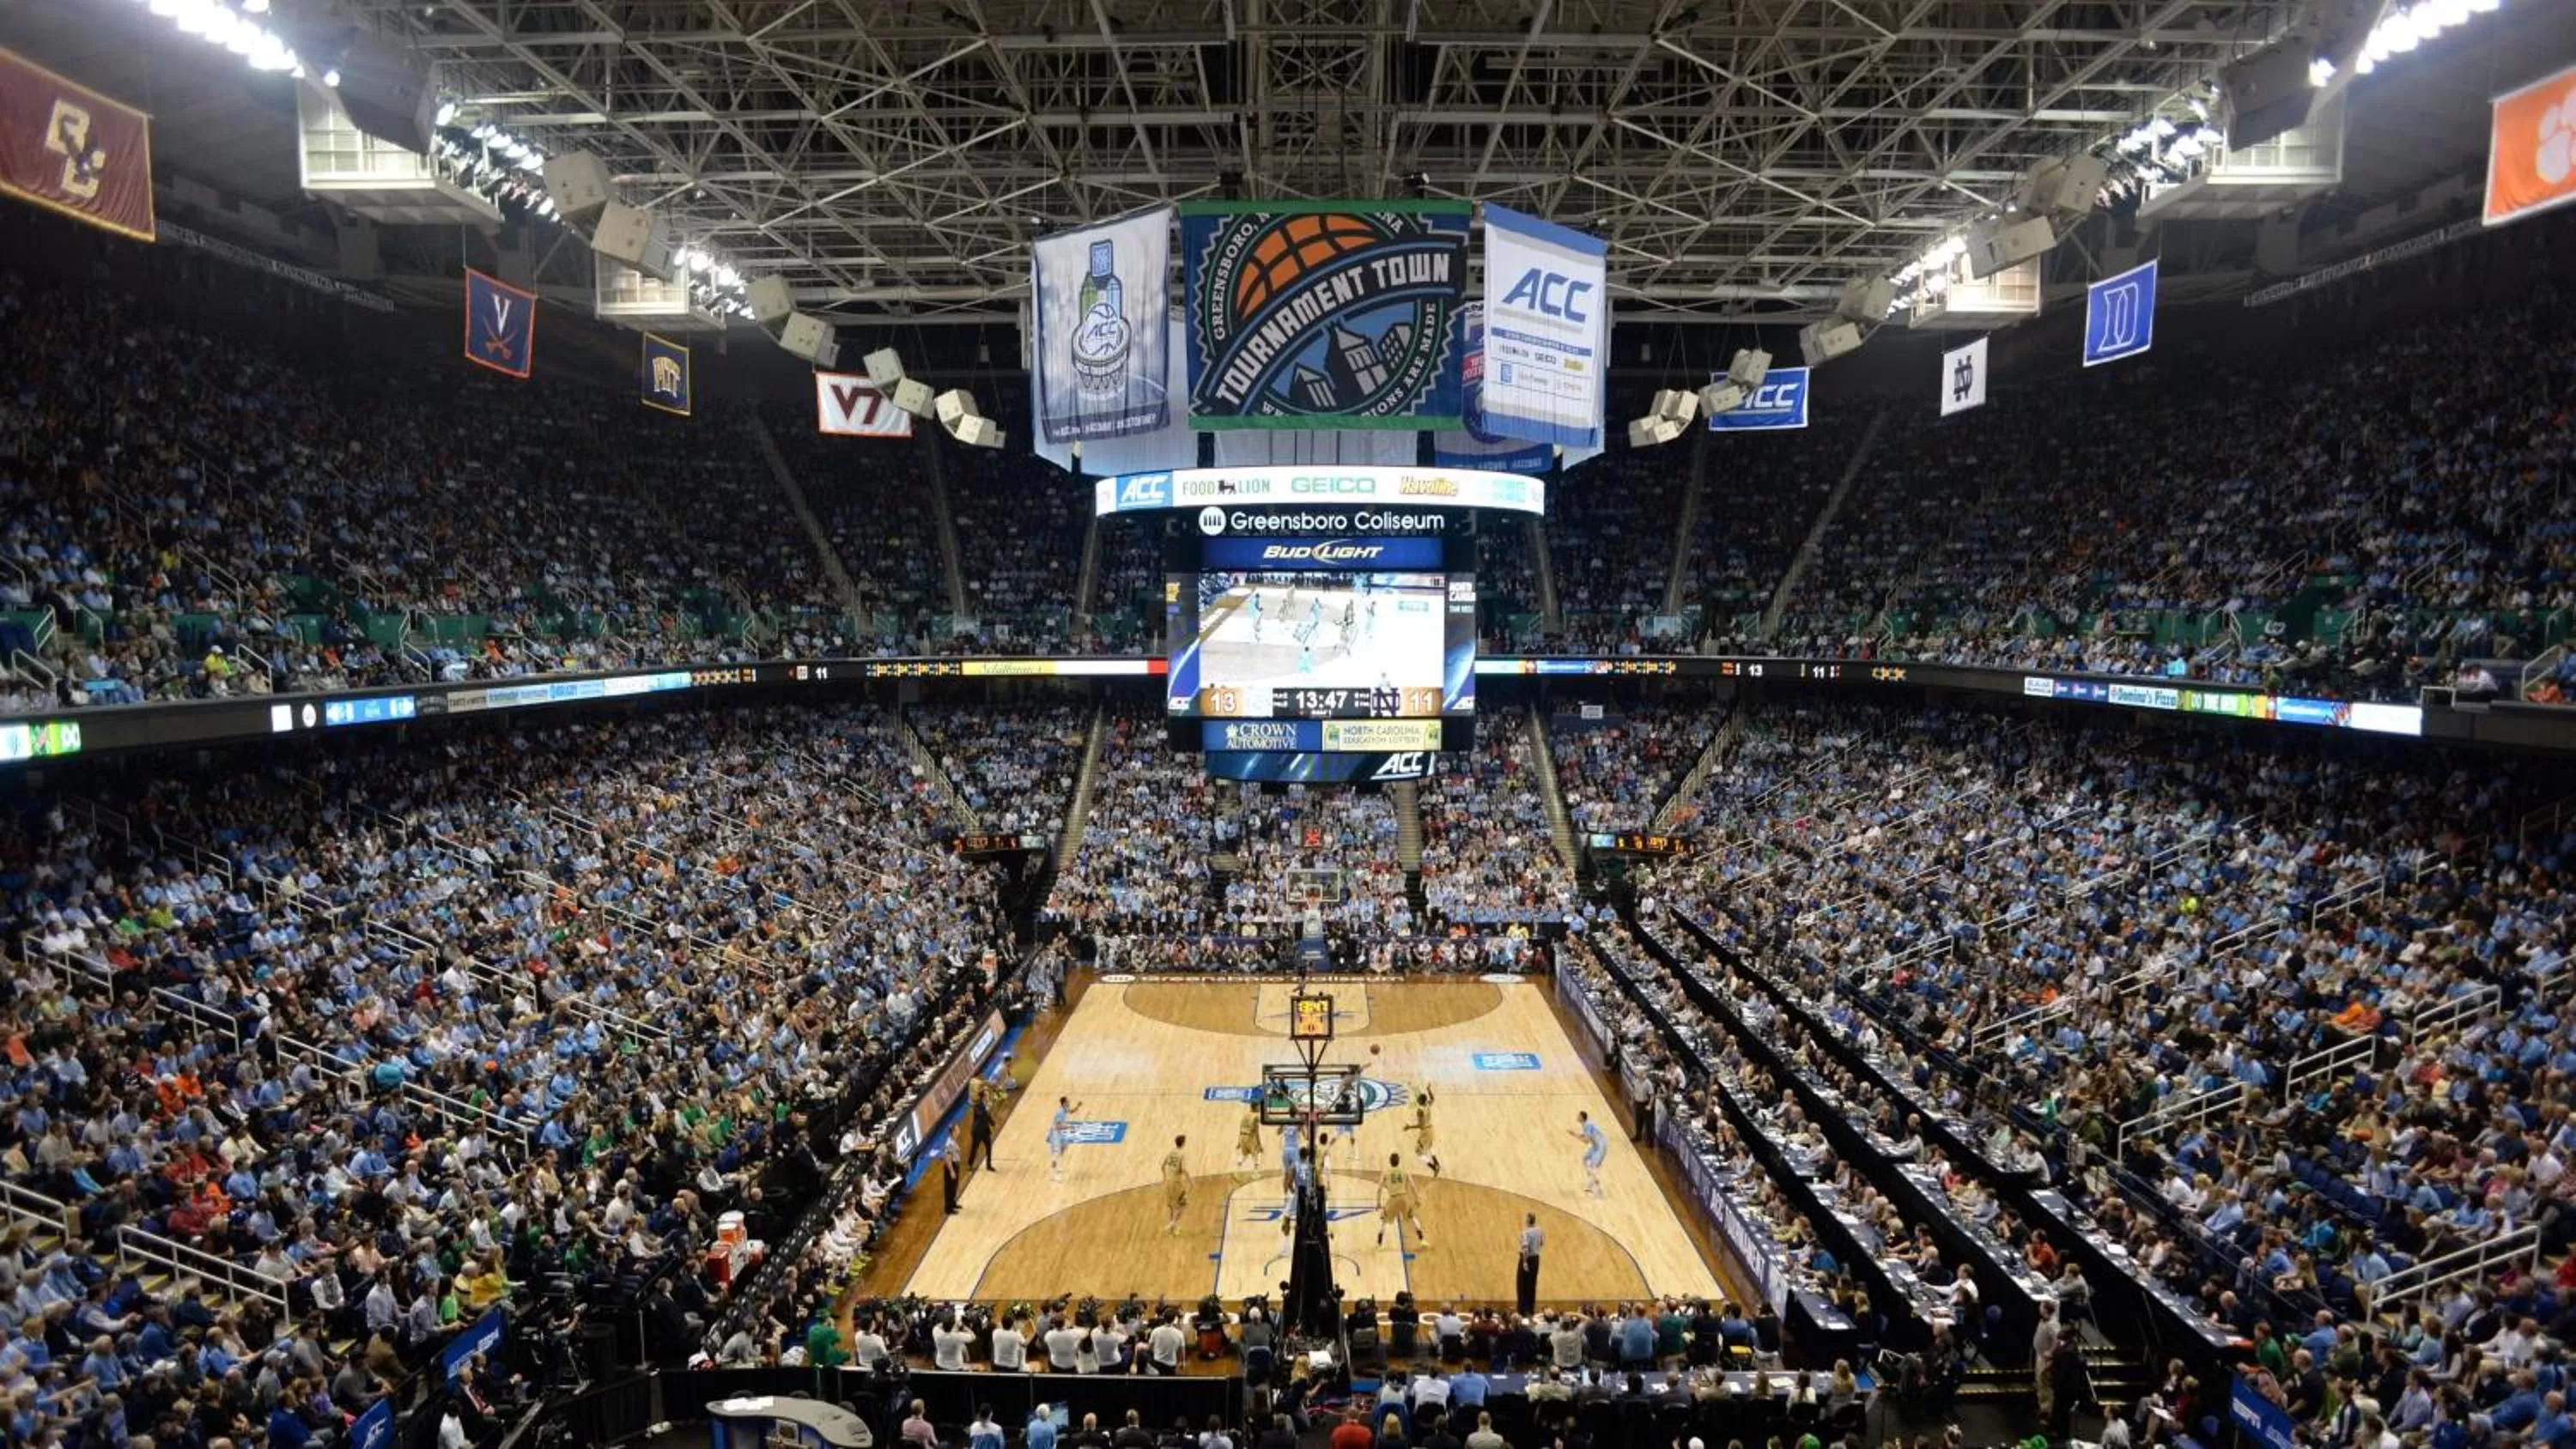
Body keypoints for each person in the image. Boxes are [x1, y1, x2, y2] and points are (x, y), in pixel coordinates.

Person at [1380, 1152, 1429, 1248]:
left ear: (1390, 1162)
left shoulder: (1386, 1172)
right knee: (1413, 1218)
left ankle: (1379, 1242)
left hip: (1392, 1199)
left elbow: (1379, 1189)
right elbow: (1413, 1186)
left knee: (1384, 1220)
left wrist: (1377, 1203)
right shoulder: (1405, 1171)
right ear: (1399, 1162)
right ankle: (1422, 1239)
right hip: (1404, 1198)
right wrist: (1417, 1198)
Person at [1570, 1112, 1607, 1197]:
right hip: (1595, 1145)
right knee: (1585, 1159)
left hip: (1601, 1146)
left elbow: (1586, 1141)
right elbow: (1586, 1136)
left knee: (1593, 1165)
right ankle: (1593, 1178)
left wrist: (1574, 1135)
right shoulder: (1585, 1124)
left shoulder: (1588, 1125)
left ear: (1582, 1118)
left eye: (1578, 1116)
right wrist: (1576, 1134)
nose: (1577, 1116)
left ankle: (1593, 1185)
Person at [1049, 1095, 1084, 1183]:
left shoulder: (1065, 1109)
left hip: (1060, 1133)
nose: (1069, 1102)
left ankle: (1058, 1167)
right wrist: (1069, 1127)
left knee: (1064, 1148)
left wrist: (1078, 1106)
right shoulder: (1060, 1112)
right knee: (1056, 1154)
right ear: (1064, 1103)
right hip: (1055, 1133)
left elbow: (1071, 1111)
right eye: (1068, 1101)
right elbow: (1058, 1126)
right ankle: (1054, 1175)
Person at [1409, 1088, 1443, 1177]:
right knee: (1430, 1147)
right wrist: (1429, 1090)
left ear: (1420, 1101)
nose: (1417, 1100)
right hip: (1430, 1129)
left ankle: (1434, 1167)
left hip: (1425, 1132)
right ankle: (1437, 1164)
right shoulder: (1427, 1104)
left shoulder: (1420, 1111)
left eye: (1418, 1099)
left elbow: (1421, 1126)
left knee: (1418, 1152)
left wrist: (1409, 1127)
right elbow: (1433, 1099)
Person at [1517, 1214, 1546, 1317]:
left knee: (1522, 1285)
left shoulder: (1526, 1232)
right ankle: (1531, 1309)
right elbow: (1542, 1243)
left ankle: (1523, 1311)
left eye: (1526, 1218)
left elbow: (1525, 1248)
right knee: (1532, 1285)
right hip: (1536, 1259)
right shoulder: (1540, 1230)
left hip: (1527, 1259)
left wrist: (1524, 1262)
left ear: (1529, 1220)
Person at [968, 1079, 998, 1171]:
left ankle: (989, 1165)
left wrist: (992, 1123)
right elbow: (982, 1114)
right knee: (974, 1148)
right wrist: (988, 1108)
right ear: (983, 1096)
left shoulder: (985, 1104)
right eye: (987, 1094)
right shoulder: (978, 1105)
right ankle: (970, 1165)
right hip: (977, 1131)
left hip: (985, 1130)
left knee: (989, 1147)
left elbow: (986, 1116)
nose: (988, 1095)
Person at [1164, 1133, 1191, 1234]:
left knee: (1171, 1205)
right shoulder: (1182, 1154)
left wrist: (1164, 1177)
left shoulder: (1171, 1152)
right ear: (1183, 1143)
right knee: (1183, 1205)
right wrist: (1190, 1180)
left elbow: (1162, 1166)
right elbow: (1183, 1169)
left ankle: (1173, 1228)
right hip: (1176, 1183)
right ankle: (1173, 1224)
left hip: (1168, 1181)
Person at [1237, 1103, 1264, 1168]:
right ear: (1255, 1107)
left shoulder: (1244, 1115)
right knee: (1257, 1154)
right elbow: (1256, 1132)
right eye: (1259, 1107)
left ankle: (1237, 1167)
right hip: (1249, 1137)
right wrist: (1259, 1144)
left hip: (1242, 1137)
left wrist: (1239, 1142)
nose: (1260, 1108)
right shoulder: (1256, 1117)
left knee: (1245, 1154)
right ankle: (1256, 1173)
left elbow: (1240, 1128)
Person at [941, 1142, 962, 1216]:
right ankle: (948, 1208)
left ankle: (953, 1204)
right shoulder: (949, 1143)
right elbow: (947, 1158)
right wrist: (951, 1171)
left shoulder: (953, 1141)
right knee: (949, 1188)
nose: (958, 1130)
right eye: (956, 1129)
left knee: (954, 1187)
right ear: (953, 1132)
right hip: (951, 1167)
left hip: (955, 1165)